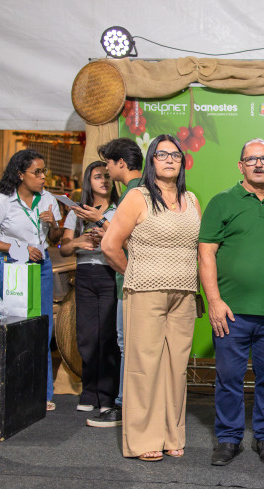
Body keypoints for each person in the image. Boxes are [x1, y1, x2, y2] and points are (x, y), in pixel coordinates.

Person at [101, 134, 201, 461]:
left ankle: (172, 435)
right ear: (151, 160)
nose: (170, 159)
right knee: (144, 366)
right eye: (162, 154)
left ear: (182, 162)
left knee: (176, 367)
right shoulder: (138, 197)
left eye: (175, 155)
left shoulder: (192, 199)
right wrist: (135, 272)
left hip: (184, 294)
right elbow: (109, 246)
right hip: (145, 291)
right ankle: (144, 439)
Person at [199, 139, 264, 466]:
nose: (258, 164)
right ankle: (228, 439)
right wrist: (214, 300)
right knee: (229, 379)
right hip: (231, 311)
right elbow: (206, 254)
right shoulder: (222, 202)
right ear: (240, 166)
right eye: (251, 159)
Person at [0, 149, 63, 411]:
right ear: (20, 174)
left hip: (42, 266)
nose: (43, 177)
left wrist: (54, 224)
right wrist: (19, 248)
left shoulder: (48, 199)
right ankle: (10, 391)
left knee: (42, 327)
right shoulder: (2, 201)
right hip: (12, 266)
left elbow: (56, 239)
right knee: (13, 327)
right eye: (37, 172)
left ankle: (42, 392)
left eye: (43, 171)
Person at [86, 138, 143, 428]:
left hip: (131, 279)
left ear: (121, 163)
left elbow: (129, 240)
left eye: (108, 163)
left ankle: (123, 405)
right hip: (131, 277)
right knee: (129, 344)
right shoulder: (141, 189)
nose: (107, 170)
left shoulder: (133, 192)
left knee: (127, 344)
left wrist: (100, 221)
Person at [60, 161, 121, 414]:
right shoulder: (77, 211)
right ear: (89, 181)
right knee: (86, 336)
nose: (104, 180)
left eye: (107, 176)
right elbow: (64, 248)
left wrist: (105, 235)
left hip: (110, 272)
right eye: (98, 176)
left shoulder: (120, 208)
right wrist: (78, 241)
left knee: (108, 336)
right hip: (84, 274)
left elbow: (126, 241)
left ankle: (107, 395)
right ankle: (89, 392)